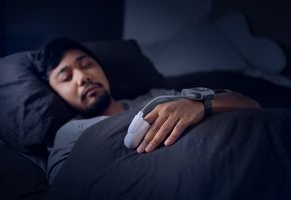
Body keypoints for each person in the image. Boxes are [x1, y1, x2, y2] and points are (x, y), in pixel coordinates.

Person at [34, 38, 260, 184]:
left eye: (87, 65)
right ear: (56, 93)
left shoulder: (155, 97)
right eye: (66, 77)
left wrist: (200, 104)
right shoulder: (70, 133)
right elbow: (66, 190)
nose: (83, 78)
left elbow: (252, 106)